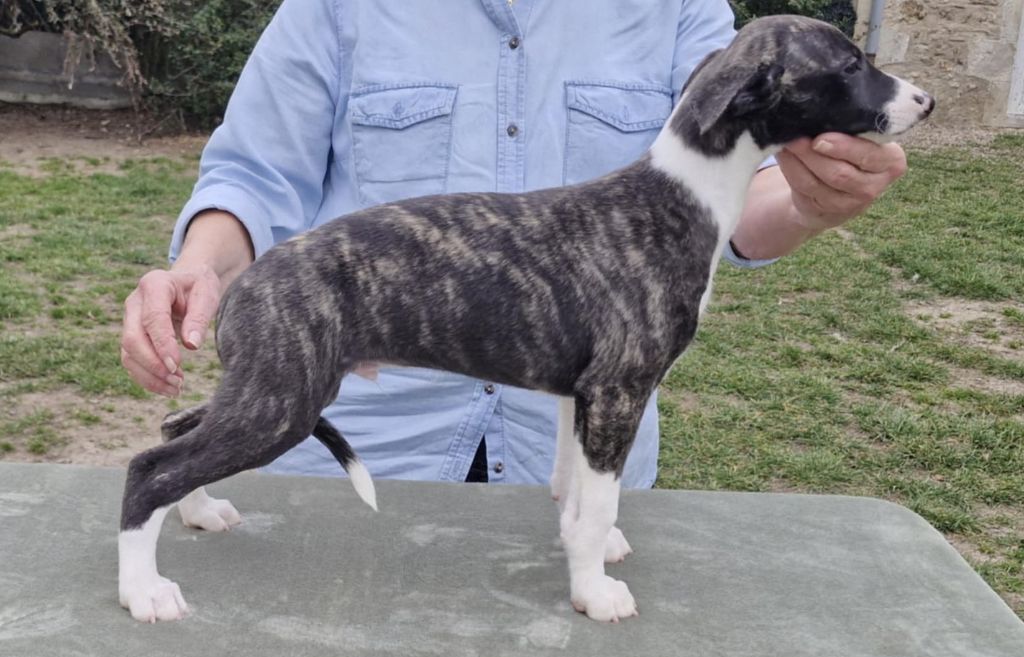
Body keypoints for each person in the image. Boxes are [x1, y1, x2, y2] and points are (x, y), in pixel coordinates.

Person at [120, 0, 908, 488]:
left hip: (574, 465)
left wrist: (809, 203)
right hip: (369, 445)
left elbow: (741, 187)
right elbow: (254, 178)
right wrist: (198, 268)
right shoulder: (335, 7)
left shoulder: (676, 8)